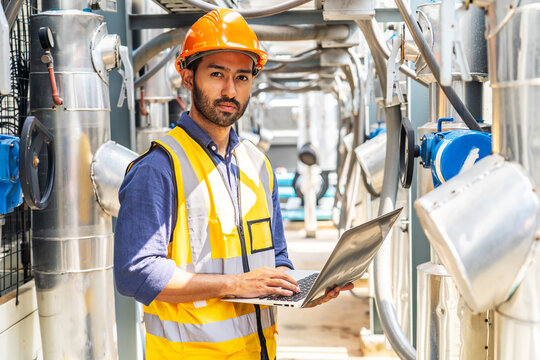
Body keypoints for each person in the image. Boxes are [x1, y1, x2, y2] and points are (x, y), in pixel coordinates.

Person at [114, 8, 352, 360]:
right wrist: (234, 285)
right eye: (216, 74)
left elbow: (277, 256)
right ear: (187, 76)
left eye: (242, 77)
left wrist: (297, 289)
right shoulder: (160, 167)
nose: (230, 90)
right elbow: (136, 272)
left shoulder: (258, 164)